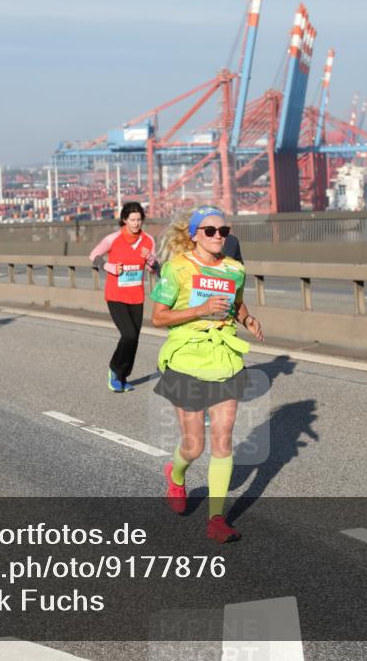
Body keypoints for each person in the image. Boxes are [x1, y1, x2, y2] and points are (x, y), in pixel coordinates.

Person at [151, 206, 264, 543]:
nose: (219, 237)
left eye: (224, 231)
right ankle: (176, 471)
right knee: (194, 446)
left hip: (224, 358)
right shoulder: (177, 269)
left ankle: (216, 519)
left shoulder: (235, 269)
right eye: (211, 231)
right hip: (187, 360)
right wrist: (199, 310)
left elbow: (237, 303)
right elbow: (158, 317)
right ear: (194, 234)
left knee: (223, 439)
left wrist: (247, 320)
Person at [88, 202, 158, 392]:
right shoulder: (113, 238)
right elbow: (93, 256)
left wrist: (151, 259)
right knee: (127, 334)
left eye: (139, 220)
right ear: (124, 220)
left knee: (134, 338)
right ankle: (114, 370)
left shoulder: (148, 240)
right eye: (132, 220)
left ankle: (123, 377)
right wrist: (109, 267)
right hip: (116, 295)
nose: (136, 224)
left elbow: (154, 270)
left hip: (136, 296)